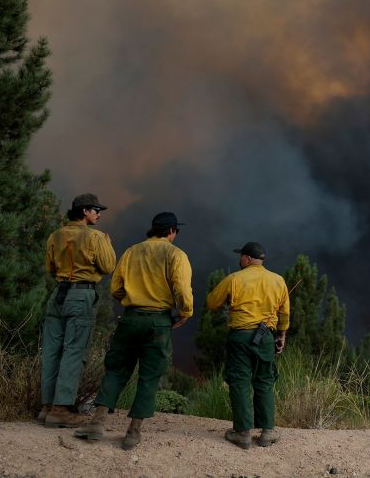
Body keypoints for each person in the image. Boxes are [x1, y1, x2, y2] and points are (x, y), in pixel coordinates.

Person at [74, 212, 193, 450]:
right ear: (171, 231)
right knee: (150, 375)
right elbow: (181, 287)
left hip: (130, 319)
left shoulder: (131, 251)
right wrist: (185, 312)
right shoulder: (176, 254)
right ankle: (133, 432)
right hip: (159, 322)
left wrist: (130, 300)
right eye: (175, 231)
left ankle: (96, 424)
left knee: (116, 369)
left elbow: (116, 287)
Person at [39, 193, 117, 428]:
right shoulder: (96, 237)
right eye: (96, 210)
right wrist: (108, 245)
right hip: (81, 295)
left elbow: (50, 267)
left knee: (52, 351)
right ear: (84, 211)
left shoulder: (56, 235)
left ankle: (46, 407)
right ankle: (61, 410)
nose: (99, 214)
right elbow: (108, 266)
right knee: (74, 351)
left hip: (57, 295)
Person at [206, 242, 290, 449]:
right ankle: (267, 432)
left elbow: (212, 303)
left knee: (240, 381)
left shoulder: (234, 278)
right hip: (266, 338)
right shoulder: (278, 280)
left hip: (240, 337)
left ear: (247, 258)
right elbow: (285, 314)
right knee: (264, 380)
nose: (240, 259)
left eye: (241, 256)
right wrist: (282, 336)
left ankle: (242, 433)